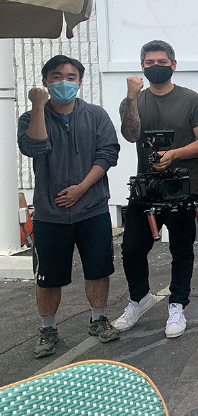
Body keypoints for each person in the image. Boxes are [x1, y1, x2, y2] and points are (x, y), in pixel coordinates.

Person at [18, 55, 121, 358]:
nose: (64, 82)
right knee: (48, 276)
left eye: (71, 77)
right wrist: (39, 106)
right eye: (56, 76)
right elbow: (34, 147)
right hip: (50, 214)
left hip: (92, 208)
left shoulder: (95, 115)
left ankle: (98, 319)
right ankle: (47, 329)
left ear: (80, 81)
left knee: (98, 270)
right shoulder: (30, 117)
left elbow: (108, 154)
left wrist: (81, 188)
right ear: (45, 81)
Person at [114, 40, 198, 338]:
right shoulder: (133, 101)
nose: (156, 67)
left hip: (182, 187)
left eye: (162, 62)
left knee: (181, 250)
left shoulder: (190, 99)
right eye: (150, 63)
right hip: (146, 189)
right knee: (132, 248)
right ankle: (139, 298)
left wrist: (174, 154)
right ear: (142, 66)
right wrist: (132, 97)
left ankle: (177, 305)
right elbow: (130, 135)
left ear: (174, 64)